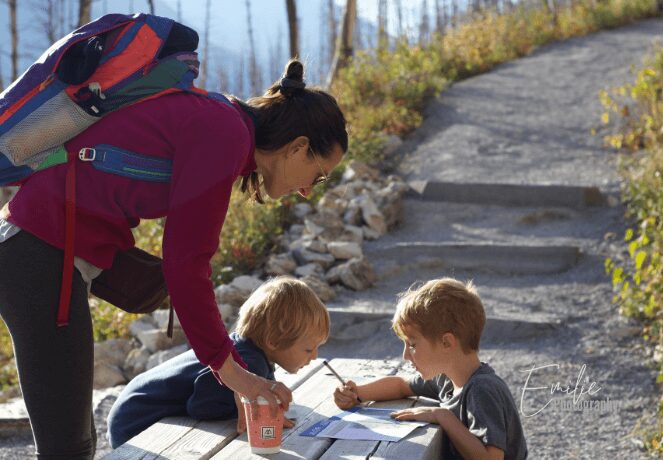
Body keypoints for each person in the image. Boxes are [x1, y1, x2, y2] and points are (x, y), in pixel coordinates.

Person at [0, 59, 347, 459]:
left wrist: (236, 376)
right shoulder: (225, 133)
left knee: (72, 443)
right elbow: (186, 263)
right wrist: (237, 377)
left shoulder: (223, 122)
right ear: (299, 147)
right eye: (318, 175)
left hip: (40, 251)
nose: (308, 191)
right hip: (38, 254)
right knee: (69, 447)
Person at [107, 276, 329, 448]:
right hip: (136, 424)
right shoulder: (248, 362)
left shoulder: (248, 350)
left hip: (130, 410)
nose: (314, 356)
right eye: (308, 349)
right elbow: (202, 406)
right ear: (273, 341)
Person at [333, 278, 528, 460]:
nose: (405, 355)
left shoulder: (482, 390)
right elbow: (401, 385)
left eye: (413, 345)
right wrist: (357, 394)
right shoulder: (445, 378)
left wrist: (441, 415)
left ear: (446, 342)